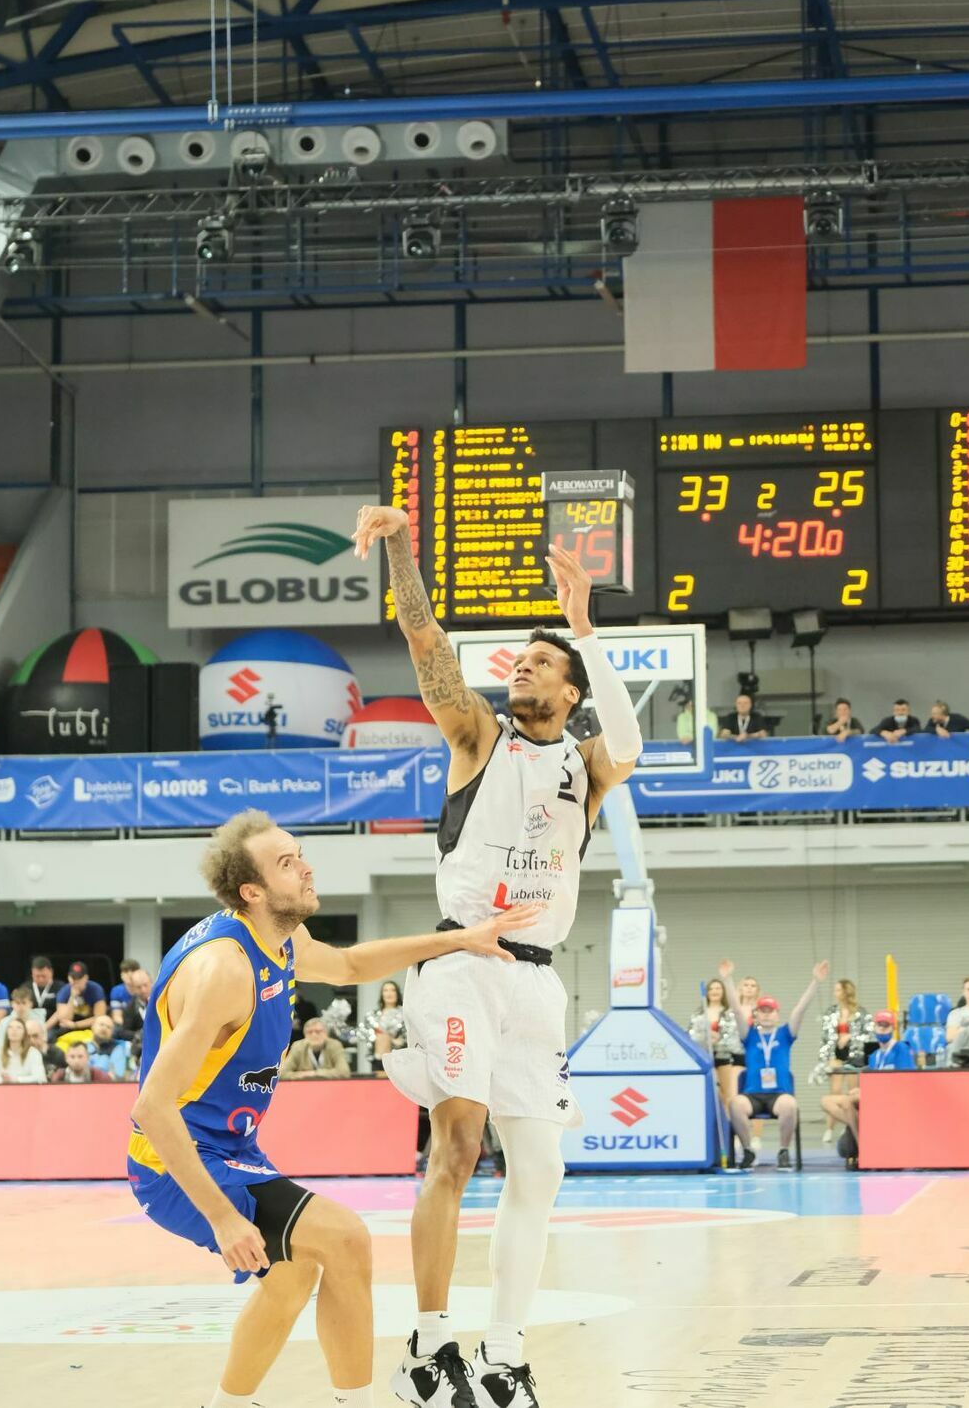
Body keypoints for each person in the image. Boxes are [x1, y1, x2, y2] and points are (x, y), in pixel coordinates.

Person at [355, 503, 644, 1408]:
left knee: (543, 1169)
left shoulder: (586, 766)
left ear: (569, 693)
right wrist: (402, 545)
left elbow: (628, 747)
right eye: (519, 662)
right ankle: (429, 1347)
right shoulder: (479, 735)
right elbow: (423, 635)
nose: (522, 669)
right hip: (461, 964)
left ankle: (504, 1353)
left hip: (536, 982)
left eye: (540, 664)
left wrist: (587, 629)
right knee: (459, 1145)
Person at [129, 808, 536, 1408]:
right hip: (175, 1161)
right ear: (253, 891)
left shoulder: (279, 937)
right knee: (345, 1239)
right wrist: (221, 1217)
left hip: (230, 1149)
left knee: (292, 1278)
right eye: (287, 863)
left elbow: (348, 965)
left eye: (300, 854)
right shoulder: (223, 969)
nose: (306, 868)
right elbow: (152, 1108)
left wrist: (458, 940)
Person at [720, 957, 829, 1169]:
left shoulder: (785, 1034)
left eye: (771, 1011)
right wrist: (728, 980)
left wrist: (815, 982)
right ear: (757, 1015)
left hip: (779, 1094)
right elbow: (735, 1009)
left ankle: (783, 1151)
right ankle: (748, 1151)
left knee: (790, 1105)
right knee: (735, 1104)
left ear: (778, 1014)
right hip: (753, 1094)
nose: (767, 1015)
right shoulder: (749, 1035)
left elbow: (799, 1011)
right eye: (763, 1011)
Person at [821, 1011, 915, 1164]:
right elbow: (871, 1082)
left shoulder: (901, 1049)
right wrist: (861, 1091)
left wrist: (868, 1092)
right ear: (875, 1028)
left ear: (893, 1028)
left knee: (850, 1102)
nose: (882, 1029)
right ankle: (861, 1134)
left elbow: (907, 1081)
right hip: (872, 1100)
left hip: (892, 1099)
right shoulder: (874, 1056)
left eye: (886, 1026)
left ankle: (863, 1147)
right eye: (880, 1026)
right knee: (827, 1101)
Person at [814, 979, 874, 1142]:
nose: (835, 993)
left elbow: (868, 1035)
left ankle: (850, 1124)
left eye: (838, 990)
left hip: (854, 1055)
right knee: (835, 1090)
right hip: (837, 1054)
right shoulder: (831, 1012)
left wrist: (850, 1036)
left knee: (852, 1090)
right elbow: (826, 1037)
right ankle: (829, 1128)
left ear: (846, 992)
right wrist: (823, 1059)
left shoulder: (861, 1013)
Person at [687, 975, 742, 1110]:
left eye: (718, 988)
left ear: (723, 991)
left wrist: (718, 1038)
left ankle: (729, 1127)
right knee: (709, 1093)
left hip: (724, 1057)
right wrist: (705, 1038)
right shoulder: (698, 1013)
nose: (715, 991)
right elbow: (691, 1034)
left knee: (728, 1093)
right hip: (705, 1057)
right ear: (707, 992)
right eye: (711, 988)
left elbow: (734, 1035)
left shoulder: (729, 1013)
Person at [283, 1015, 351, 1080]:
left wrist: (314, 1074)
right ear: (305, 1035)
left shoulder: (335, 1045)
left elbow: (344, 1072)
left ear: (326, 1033)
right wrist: (301, 1075)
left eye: (318, 1032)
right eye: (309, 1032)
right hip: (304, 1088)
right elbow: (282, 1073)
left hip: (330, 1087)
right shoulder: (297, 1046)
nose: (314, 1035)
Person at [0, 1014, 47, 1085]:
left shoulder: (33, 1053)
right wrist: (2, 1081)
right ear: (7, 1032)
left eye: (19, 1027)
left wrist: (16, 1080)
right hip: (4, 1091)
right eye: (10, 1027)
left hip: (27, 1092)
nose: (14, 1030)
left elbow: (40, 1078)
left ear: (24, 1033)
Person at [52, 960, 107, 1033]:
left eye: (79, 978)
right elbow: (64, 1019)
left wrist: (75, 1025)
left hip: (90, 1026)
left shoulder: (96, 989)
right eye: (73, 978)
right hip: (69, 1027)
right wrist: (72, 997)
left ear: (86, 978)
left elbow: (99, 1017)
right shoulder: (64, 991)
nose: (75, 981)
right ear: (68, 977)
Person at [367, 979, 408, 1076]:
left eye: (392, 990)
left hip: (398, 1060)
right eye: (385, 990)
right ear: (382, 994)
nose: (389, 993)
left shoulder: (405, 1014)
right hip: (377, 1060)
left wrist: (394, 1041)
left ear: (397, 993)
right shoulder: (373, 1016)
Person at [89, 1012, 133, 1082]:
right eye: (101, 1024)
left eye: (108, 1027)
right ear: (92, 1026)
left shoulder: (117, 1049)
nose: (104, 1028)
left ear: (112, 1032)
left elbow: (118, 1076)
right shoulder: (83, 1046)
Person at [27, 954, 59, 1023]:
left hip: (53, 1025)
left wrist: (44, 1027)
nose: (41, 979)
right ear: (32, 973)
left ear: (51, 972)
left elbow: (61, 1011)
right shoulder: (25, 988)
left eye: (44, 976)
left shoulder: (61, 988)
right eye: (37, 976)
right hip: (30, 1024)